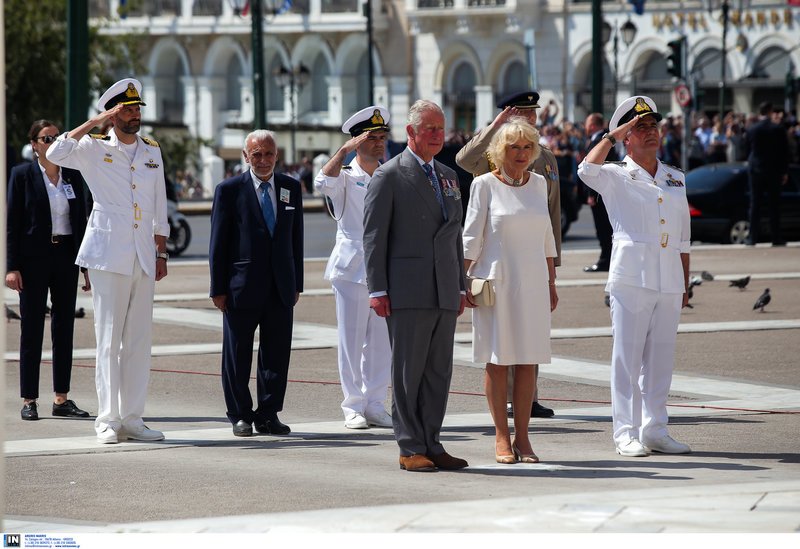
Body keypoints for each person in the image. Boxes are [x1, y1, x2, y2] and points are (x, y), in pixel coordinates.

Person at [46, 78, 170, 444]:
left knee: (138, 340)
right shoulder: (92, 147)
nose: (134, 116)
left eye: (136, 109)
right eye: (127, 110)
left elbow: (159, 203)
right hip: (107, 251)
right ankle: (108, 418)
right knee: (109, 339)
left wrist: (161, 249)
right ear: (114, 114)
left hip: (144, 253)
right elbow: (55, 153)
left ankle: (133, 418)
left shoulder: (151, 149)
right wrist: (95, 121)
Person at [577, 96, 692, 457]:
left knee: (661, 359)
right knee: (626, 359)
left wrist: (685, 284)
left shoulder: (674, 177)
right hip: (630, 276)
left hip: (669, 278)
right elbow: (585, 170)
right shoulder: (615, 174)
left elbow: (684, 237)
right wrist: (611, 136)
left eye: (652, 126)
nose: (650, 133)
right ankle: (625, 432)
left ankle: (655, 428)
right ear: (627, 135)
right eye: (640, 128)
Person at [363, 100, 468, 472]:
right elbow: (374, 236)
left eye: (441, 129)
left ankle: (432, 442)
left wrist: (459, 285)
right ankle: (410, 447)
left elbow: (454, 235)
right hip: (407, 290)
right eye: (429, 129)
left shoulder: (449, 175)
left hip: (443, 288)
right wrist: (377, 290)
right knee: (408, 372)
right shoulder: (389, 175)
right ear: (410, 132)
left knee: (438, 371)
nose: (437, 136)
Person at [455, 91, 560, 419]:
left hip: (532, 265)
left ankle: (528, 401)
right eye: (521, 113)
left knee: (530, 346)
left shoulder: (542, 165)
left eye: (532, 114)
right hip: (497, 268)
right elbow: (463, 160)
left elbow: (549, 220)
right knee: (500, 351)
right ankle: (505, 419)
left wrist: (552, 271)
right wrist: (497, 124)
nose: (529, 119)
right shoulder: (488, 165)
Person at [209, 130, 303, 438]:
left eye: (268, 154)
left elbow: (296, 239)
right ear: (246, 157)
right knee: (237, 355)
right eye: (256, 155)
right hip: (241, 286)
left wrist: (296, 283)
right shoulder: (229, 190)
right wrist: (218, 288)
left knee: (276, 354)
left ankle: (268, 414)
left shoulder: (290, 187)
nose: (263, 160)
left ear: (277, 156)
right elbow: (218, 243)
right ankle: (239, 414)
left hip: (281, 286)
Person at [7, 119, 92, 421]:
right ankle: (30, 399)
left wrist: (85, 264)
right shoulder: (22, 175)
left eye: (57, 137)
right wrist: (12, 267)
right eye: (46, 139)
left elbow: (81, 219)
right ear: (34, 144)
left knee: (64, 328)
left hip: (66, 255)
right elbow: (12, 224)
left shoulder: (71, 175)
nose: (52, 142)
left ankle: (62, 398)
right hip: (33, 259)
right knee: (32, 329)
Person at [314, 106, 393, 430]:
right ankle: (353, 405)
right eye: (371, 138)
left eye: (382, 137)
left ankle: (375, 403)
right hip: (352, 267)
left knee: (381, 342)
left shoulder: (390, 173)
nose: (378, 144)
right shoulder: (345, 176)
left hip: (384, 268)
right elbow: (321, 182)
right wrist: (344, 150)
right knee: (351, 338)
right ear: (357, 141)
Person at [744, 102, 790, 246]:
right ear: (770, 112)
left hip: (756, 169)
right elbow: (784, 152)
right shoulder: (778, 129)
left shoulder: (752, 129)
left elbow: (747, 149)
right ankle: (776, 238)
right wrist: (784, 171)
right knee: (774, 206)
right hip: (773, 170)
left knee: (755, 204)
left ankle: (752, 238)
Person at [581, 112, 619, 273]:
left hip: (598, 194)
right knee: (605, 228)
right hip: (602, 192)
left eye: (588, 123)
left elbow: (595, 169)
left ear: (593, 125)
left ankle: (605, 260)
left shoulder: (599, 141)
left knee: (603, 229)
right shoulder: (600, 139)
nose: (586, 127)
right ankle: (607, 259)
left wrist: (591, 194)